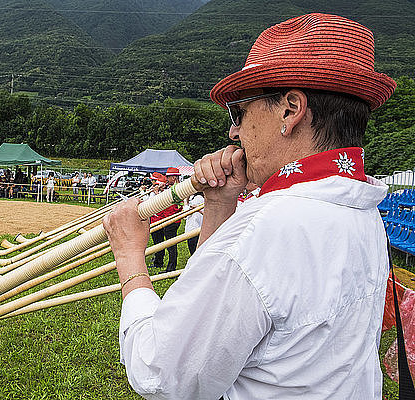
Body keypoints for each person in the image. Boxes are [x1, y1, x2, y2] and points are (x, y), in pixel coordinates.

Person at [103, 13, 395, 399]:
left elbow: (162, 374)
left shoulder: (264, 229)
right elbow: (218, 305)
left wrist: (129, 257)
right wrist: (220, 206)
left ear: (290, 110)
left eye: (239, 111)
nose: (233, 132)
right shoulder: (362, 208)